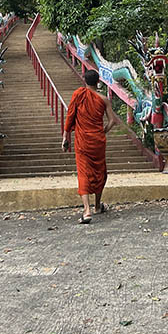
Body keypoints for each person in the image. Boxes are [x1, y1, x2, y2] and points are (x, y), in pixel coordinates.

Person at [62, 69, 117, 224]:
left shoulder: (79, 95)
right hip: (98, 140)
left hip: (83, 141)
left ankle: (87, 210)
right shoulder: (104, 99)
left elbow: (70, 116)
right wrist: (103, 131)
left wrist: (66, 136)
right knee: (100, 171)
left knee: (83, 173)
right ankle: (98, 205)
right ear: (98, 82)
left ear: (84, 80)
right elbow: (113, 121)